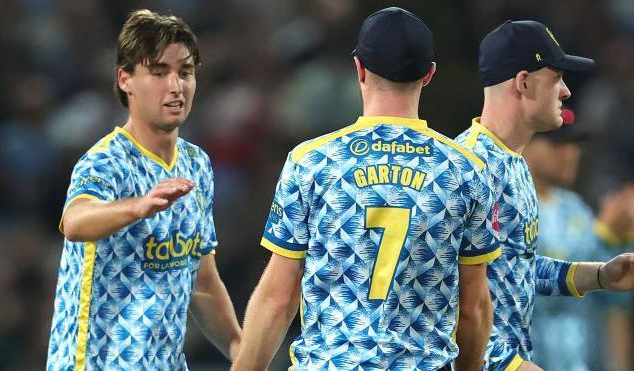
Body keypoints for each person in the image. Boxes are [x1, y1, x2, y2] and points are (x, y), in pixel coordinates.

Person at [232, 7, 501, 371]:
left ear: (359, 68)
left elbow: (279, 297)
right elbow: (473, 307)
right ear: (429, 75)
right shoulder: (465, 169)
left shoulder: (312, 162)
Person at [46, 9, 241, 370]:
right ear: (125, 80)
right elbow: (75, 221)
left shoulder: (197, 164)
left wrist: (243, 353)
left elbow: (202, 282)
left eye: (185, 72)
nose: (175, 86)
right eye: (158, 72)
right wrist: (138, 207)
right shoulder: (105, 161)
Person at [455, 20, 634, 371]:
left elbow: (516, 269)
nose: (566, 91)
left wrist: (599, 274)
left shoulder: (515, 165)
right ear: (523, 82)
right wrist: (509, 366)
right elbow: (439, 293)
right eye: (557, 78)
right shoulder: (466, 166)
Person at [524, 114, 634, 371]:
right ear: (528, 144)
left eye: (574, 145)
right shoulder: (510, 205)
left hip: (578, 361)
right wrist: (601, 235)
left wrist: (618, 244)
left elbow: (610, 300)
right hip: (528, 359)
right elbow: (534, 294)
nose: (571, 153)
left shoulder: (576, 210)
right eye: (558, 144)